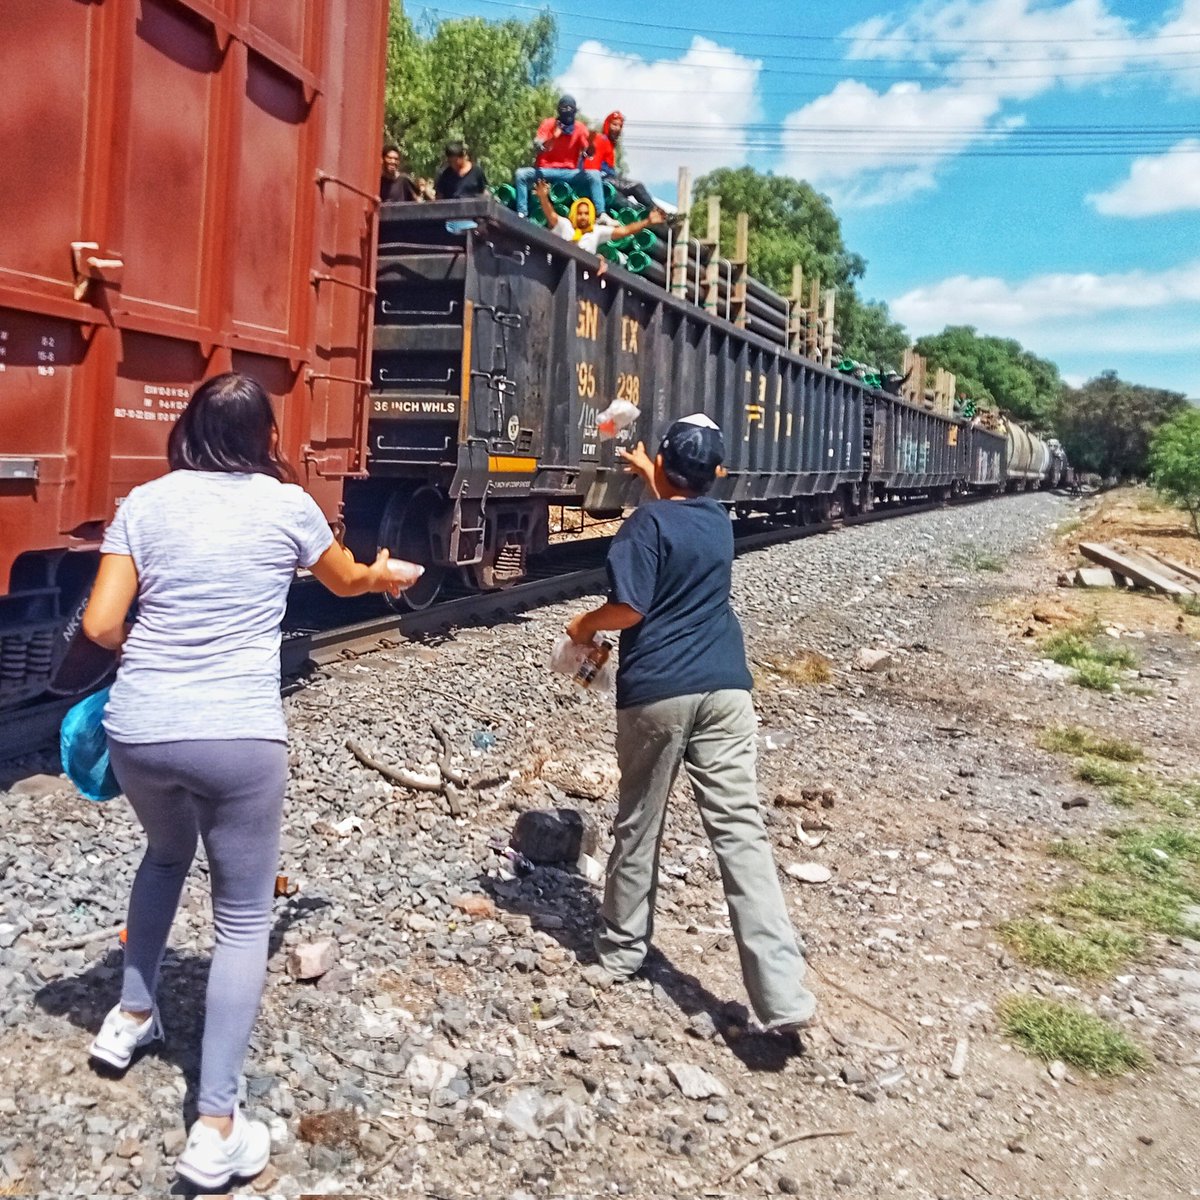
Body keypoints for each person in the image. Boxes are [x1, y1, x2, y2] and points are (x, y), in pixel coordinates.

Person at [80, 373, 418, 1190]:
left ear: (191, 427)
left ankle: (128, 1019)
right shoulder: (288, 505)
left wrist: (158, 670)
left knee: (164, 858)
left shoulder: (146, 502)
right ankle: (216, 1125)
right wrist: (382, 574)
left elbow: (98, 624)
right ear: (265, 438)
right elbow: (343, 580)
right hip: (237, 736)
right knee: (240, 917)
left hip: (141, 731)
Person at [565, 415, 816, 1039]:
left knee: (638, 824)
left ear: (667, 470)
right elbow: (680, 507)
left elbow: (630, 608)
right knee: (741, 834)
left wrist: (582, 626)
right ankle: (783, 995)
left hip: (659, 694)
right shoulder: (720, 522)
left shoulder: (643, 525)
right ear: (718, 476)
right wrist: (656, 472)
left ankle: (622, 952)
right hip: (728, 691)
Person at [513, 95, 604, 218]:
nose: (567, 111)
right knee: (521, 174)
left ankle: (601, 214)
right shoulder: (549, 124)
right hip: (545, 171)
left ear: (575, 110)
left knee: (594, 175)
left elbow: (588, 153)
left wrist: (591, 143)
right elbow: (537, 146)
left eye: (571, 108)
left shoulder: (580, 128)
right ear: (559, 110)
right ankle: (522, 213)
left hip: (569, 173)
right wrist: (554, 137)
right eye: (564, 108)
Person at [534, 178, 662, 256]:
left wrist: (647, 222)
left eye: (586, 213)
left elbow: (624, 231)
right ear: (574, 214)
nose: (583, 217)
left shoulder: (596, 231)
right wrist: (543, 197)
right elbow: (551, 214)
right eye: (580, 213)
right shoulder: (565, 225)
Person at [583, 111, 659, 214]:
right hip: (604, 178)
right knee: (636, 186)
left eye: (620, 126)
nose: (617, 128)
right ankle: (659, 212)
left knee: (627, 202)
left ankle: (654, 214)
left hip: (609, 178)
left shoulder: (610, 145)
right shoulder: (601, 139)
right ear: (607, 124)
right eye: (614, 124)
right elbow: (591, 165)